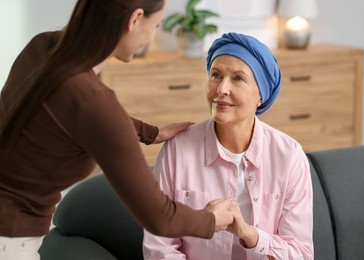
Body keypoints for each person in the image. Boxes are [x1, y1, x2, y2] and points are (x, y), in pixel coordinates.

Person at [0, 1, 234, 259]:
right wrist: (212, 220)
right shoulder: (93, 102)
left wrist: (151, 132)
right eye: (155, 25)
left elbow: (76, 112)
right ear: (135, 19)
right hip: (10, 239)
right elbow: (160, 217)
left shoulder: (44, 47)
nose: (152, 35)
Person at [143, 32, 314, 260]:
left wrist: (249, 235)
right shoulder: (177, 150)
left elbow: (301, 254)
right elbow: (160, 249)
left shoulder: (289, 157)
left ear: (261, 96)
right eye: (216, 75)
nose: (222, 89)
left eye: (238, 78)